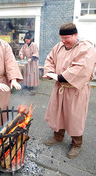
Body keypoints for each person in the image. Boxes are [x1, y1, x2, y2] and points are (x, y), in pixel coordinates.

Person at [43, 22, 96, 159]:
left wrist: (59, 76)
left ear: (75, 35)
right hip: (60, 88)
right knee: (58, 113)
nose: (63, 41)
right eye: (61, 38)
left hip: (75, 90)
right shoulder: (59, 46)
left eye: (66, 38)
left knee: (75, 117)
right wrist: (49, 71)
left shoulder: (87, 48)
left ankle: (76, 144)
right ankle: (58, 136)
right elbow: (50, 59)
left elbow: (82, 69)